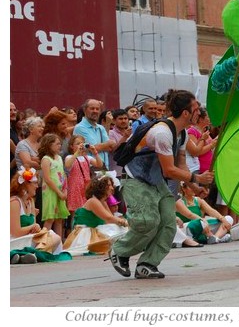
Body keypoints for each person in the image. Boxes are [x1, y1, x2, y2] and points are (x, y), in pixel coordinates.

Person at [108, 89, 214, 280]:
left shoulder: (181, 134)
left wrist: (195, 187)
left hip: (156, 182)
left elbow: (180, 163)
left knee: (168, 224)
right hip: (136, 179)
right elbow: (169, 170)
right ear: (186, 113)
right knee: (148, 221)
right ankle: (120, 250)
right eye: (196, 108)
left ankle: (147, 264)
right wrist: (197, 178)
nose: (200, 112)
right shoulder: (162, 133)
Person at [10, 168, 65, 264]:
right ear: (26, 185)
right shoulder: (14, 202)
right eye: (35, 183)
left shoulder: (30, 201)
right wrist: (33, 227)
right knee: (53, 237)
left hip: (27, 238)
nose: (37, 186)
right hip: (15, 240)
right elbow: (16, 232)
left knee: (54, 236)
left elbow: (34, 227)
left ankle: (26, 256)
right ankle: (32, 254)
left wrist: (37, 227)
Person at [63, 175, 129, 255]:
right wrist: (124, 222)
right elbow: (108, 218)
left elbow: (108, 221)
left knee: (119, 229)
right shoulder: (93, 201)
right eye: (109, 185)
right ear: (101, 187)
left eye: (112, 185)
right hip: (86, 234)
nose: (112, 188)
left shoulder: (103, 201)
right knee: (122, 230)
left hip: (95, 230)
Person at [38, 133, 70, 239]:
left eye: (60, 144)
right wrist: (59, 192)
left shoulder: (59, 158)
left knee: (59, 218)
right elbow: (47, 179)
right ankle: (43, 242)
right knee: (50, 218)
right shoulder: (46, 159)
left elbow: (63, 175)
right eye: (57, 144)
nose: (59, 146)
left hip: (60, 190)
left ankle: (58, 244)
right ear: (49, 145)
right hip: (51, 191)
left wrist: (65, 190)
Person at [64, 134, 103, 217]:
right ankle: (75, 228)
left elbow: (99, 164)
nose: (80, 145)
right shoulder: (70, 157)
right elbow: (67, 165)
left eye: (82, 143)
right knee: (76, 212)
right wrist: (77, 153)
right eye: (77, 144)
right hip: (75, 187)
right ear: (71, 146)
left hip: (85, 186)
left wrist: (95, 153)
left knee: (86, 210)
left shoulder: (87, 157)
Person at [73, 99, 116, 170]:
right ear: (85, 110)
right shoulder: (80, 128)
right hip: (89, 169)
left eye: (97, 109)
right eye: (92, 108)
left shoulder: (101, 128)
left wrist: (105, 145)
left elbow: (110, 148)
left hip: (105, 168)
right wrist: (109, 143)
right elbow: (94, 148)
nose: (95, 111)